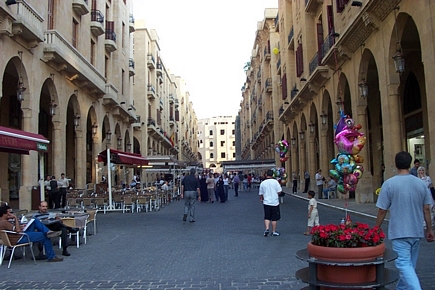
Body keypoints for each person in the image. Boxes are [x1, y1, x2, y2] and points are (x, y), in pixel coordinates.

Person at [375, 151, 434, 289]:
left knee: (403, 264)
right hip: (416, 230)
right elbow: (427, 209)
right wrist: (429, 229)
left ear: (396, 164)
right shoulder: (421, 184)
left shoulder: (389, 184)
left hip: (399, 231)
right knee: (409, 266)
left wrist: (376, 228)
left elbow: (382, 209)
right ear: (410, 163)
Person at [259, 169, 282, 237]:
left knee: (267, 217)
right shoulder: (275, 182)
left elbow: (261, 193)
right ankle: (274, 231)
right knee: (274, 218)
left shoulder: (263, 183)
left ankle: (267, 229)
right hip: (274, 202)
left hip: (266, 202)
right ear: (272, 175)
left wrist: (262, 198)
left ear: (266, 175)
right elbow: (279, 191)